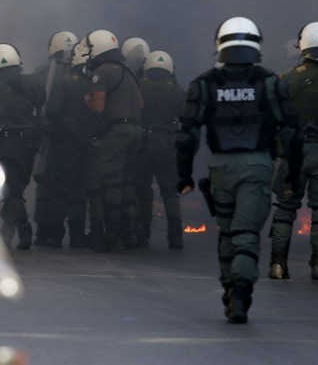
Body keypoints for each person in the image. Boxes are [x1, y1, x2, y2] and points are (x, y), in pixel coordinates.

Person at [176, 16, 299, 324]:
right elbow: (291, 133)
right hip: (258, 165)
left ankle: (231, 287)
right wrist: (292, 175)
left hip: (221, 168)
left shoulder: (204, 84)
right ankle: (241, 292)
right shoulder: (270, 83)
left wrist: (184, 175)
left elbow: (187, 134)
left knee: (228, 233)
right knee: (246, 234)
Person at [269, 22, 318, 281]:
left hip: (292, 152)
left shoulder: (288, 77)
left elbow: (275, 116)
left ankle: (278, 265)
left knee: (285, 207)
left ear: (303, 46)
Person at [37, 40, 108, 248]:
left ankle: (55, 235)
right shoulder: (95, 83)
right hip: (87, 143)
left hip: (65, 143)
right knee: (79, 189)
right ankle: (77, 235)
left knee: (60, 189)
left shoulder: (64, 81)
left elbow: (52, 110)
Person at [0, 43, 45, 250]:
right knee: (16, 188)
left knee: (11, 190)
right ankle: (8, 232)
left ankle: (21, 228)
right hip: (28, 144)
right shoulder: (32, 83)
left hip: (4, 144)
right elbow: (41, 101)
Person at [84, 29, 143, 252]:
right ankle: (130, 233)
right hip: (136, 131)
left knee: (111, 182)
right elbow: (141, 105)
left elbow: (98, 107)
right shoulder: (129, 72)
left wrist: (87, 101)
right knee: (127, 181)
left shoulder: (102, 72)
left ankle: (111, 234)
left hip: (117, 132)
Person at [136, 50, 186, 249]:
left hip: (144, 143)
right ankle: (176, 235)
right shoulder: (177, 90)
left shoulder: (139, 86)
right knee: (170, 192)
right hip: (167, 144)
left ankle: (143, 232)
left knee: (143, 188)